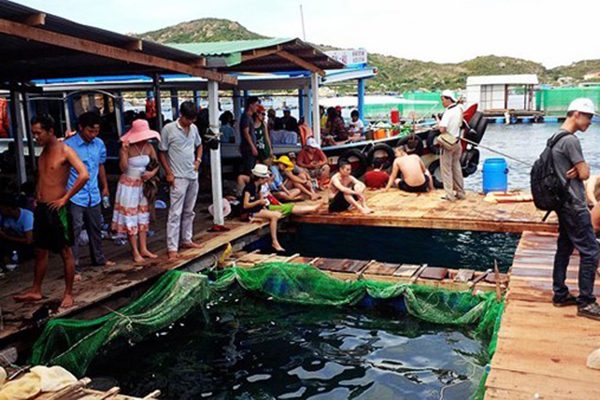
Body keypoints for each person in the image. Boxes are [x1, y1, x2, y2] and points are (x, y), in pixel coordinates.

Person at [14, 114, 89, 308]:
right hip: (41, 206)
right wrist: (37, 198)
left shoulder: (65, 150)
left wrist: (65, 198)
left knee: (65, 251)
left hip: (58, 207)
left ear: (50, 131)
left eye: (38, 133)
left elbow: (84, 175)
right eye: (33, 133)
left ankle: (69, 293)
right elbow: (43, 177)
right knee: (40, 250)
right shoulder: (43, 151)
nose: (36, 137)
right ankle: (36, 290)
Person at [549, 98, 600, 320]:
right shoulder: (570, 141)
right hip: (574, 204)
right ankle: (586, 301)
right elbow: (585, 173)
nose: (590, 122)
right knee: (591, 251)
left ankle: (560, 293)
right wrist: (582, 169)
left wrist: (578, 171)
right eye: (588, 117)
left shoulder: (553, 138)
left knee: (565, 248)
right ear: (576, 114)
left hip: (562, 203)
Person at [64, 112, 114, 269]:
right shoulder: (68, 145)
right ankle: (74, 265)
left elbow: (100, 165)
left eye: (96, 131)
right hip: (75, 194)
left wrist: (104, 186)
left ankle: (98, 258)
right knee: (75, 229)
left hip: (93, 193)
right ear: (80, 128)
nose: (93, 135)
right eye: (90, 131)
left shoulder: (99, 144)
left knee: (96, 226)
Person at [158, 101, 204, 260]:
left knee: (189, 210)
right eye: (188, 119)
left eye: (193, 119)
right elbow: (162, 152)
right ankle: (172, 247)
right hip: (177, 176)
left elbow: (200, 145)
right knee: (175, 212)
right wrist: (168, 172)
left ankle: (186, 239)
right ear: (181, 115)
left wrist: (198, 160)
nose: (190, 122)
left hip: (192, 174)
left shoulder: (194, 129)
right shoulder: (168, 129)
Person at [112, 120, 161, 263]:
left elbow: (156, 164)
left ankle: (144, 248)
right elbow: (123, 168)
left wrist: (151, 174)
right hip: (129, 185)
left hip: (143, 185)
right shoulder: (127, 148)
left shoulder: (149, 147)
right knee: (130, 217)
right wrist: (125, 152)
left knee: (143, 216)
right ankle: (135, 250)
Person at [241, 164, 285, 252]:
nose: (266, 180)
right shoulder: (249, 188)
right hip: (248, 211)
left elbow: (261, 199)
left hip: (256, 209)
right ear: (260, 179)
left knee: (278, 213)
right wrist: (259, 202)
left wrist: (263, 204)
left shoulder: (259, 186)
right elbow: (245, 205)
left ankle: (255, 219)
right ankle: (274, 241)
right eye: (265, 178)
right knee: (275, 216)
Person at [437, 90, 465, 201]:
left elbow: (442, 129)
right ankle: (460, 192)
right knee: (456, 167)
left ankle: (449, 194)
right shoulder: (459, 109)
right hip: (457, 141)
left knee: (446, 169)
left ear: (449, 99)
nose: (442, 102)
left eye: (443, 100)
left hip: (448, 143)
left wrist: (438, 122)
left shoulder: (448, 112)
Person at [0, 193, 34, 268]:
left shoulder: (27, 217)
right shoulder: (7, 218)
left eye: (1, 209)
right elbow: (5, 229)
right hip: (18, 241)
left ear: (8, 209)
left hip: (31, 245)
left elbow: (29, 240)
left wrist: (6, 236)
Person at [239, 96, 260, 173]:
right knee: (249, 168)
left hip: (249, 146)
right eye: (256, 105)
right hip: (248, 147)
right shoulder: (246, 117)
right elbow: (246, 133)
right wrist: (252, 146)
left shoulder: (249, 117)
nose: (257, 108)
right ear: (251, 105)